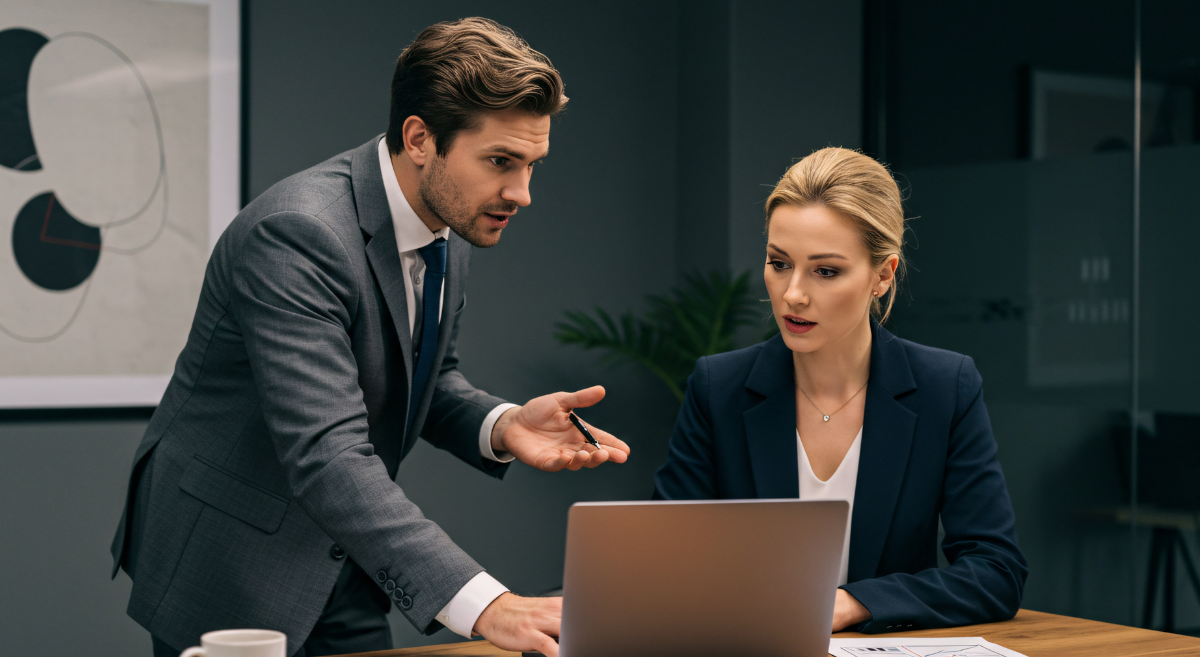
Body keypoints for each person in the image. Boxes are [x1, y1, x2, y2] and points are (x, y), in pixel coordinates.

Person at [110, 18, 628, 657]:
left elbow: (425, 376)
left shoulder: (452, 218)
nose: (520, 194)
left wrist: (502, 424)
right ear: (420, 139)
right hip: (231, 551)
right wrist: (487, 603)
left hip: (350, 545)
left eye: (531, 165)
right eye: (500, 161)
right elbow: (326, 451)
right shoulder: (297, 235)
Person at [653, 147, 1027, 633]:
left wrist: (852, 604)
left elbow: (996, 572)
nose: (793, 294)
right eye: (779, 263)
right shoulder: (719, 388)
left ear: (882, 275)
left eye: (825, 271)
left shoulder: (944, 387)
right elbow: (665, 563)